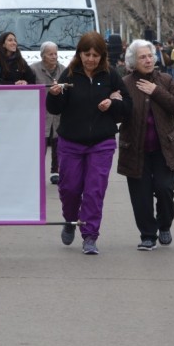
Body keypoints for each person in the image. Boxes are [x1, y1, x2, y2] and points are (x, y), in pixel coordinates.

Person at [46, 32, 132, 254]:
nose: (91, 59)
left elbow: (127, 106)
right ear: (80, 54)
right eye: (87, 54)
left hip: (101, 143)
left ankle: (90, 235)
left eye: (95, 55)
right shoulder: (69, 75)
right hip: (71, 142)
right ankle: (70, 220)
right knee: (69, 188)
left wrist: (112, 104)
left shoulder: (111, 75)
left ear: (102, 56)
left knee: (94, 190)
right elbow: (55, 108)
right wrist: (54, 95)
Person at [117, 40, 174, 251]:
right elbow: (117, 116)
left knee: (164, 189)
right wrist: (114, 103)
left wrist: (156, 91)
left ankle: (164, 225)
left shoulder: (165, 80)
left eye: (150, 56)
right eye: (142, 57)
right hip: (134, 150)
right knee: (141, 196)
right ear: (133, 61)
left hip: (163, 150)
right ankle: (147, 235)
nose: (148, 60)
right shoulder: (124, 83)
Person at [30, 41, 64, 184]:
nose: (54, 56)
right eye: (50, 54)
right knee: (41, 144)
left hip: (57, 112)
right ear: (43, 55)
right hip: (40, 112)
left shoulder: (63, 70)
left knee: (58, 142)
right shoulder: (33, 69)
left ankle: (55, 171)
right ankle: (37, 172)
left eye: (55, 53)